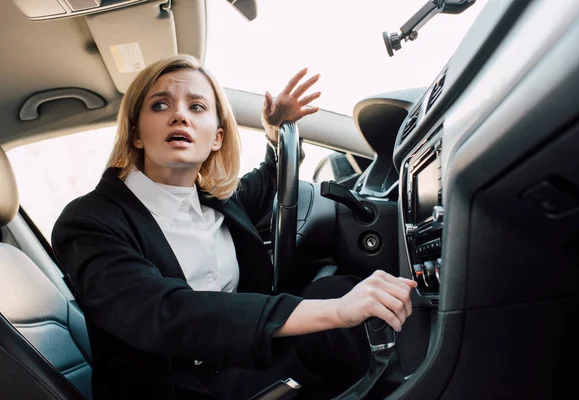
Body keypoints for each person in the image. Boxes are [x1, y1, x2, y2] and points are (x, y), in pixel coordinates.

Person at [51, 53, 418, 400]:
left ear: (216, 138)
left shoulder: (216, 199)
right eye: (159, 105)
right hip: (180, 388)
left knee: (337, 286)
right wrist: (337, 311)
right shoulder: (88, 221)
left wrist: (276, 131)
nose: (179, 116)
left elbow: (269, 178)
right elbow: (164, 313)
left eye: (197, 107)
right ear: (135, 134)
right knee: (339, 321)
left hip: (236, 362)